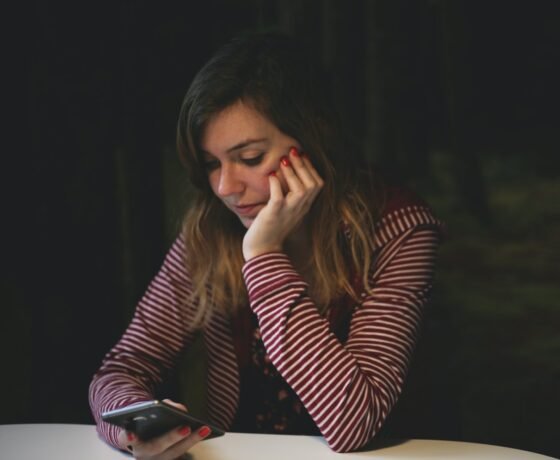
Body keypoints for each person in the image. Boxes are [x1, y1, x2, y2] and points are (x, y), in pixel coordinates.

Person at [89, 30, 443, 458]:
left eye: (250, 158)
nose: (225, 187)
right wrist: (132, 427)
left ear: (316, 138)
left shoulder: (398, 230)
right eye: (210, 164)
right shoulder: (211, 229)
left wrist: (262, 255)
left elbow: (352, 423)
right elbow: (122, 368)